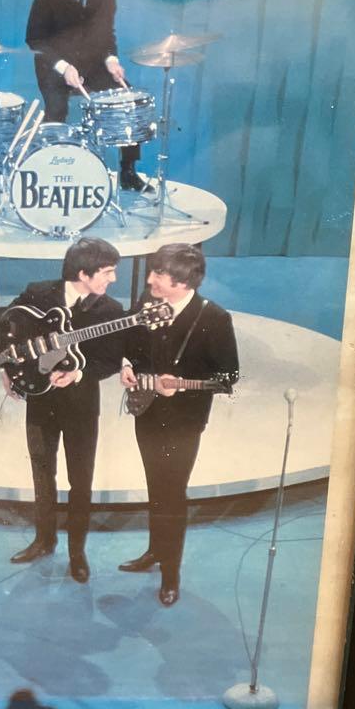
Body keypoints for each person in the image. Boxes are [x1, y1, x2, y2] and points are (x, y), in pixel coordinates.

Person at [119, 244, 239, 606]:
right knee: (155, 487)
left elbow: (227, 379)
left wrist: (182, 385)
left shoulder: (215, 318)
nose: (150, 280)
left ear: (183, 282)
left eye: (159, 274)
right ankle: (155, 551)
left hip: (184, 422)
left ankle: (170, 575)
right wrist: (127, 366)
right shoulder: (146, 303)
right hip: (146, 412)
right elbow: (130, 345)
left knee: (172, 493)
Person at [1, 236, 124, 582]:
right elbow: (5, 327)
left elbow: (110, 360)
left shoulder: (111, 311)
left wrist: (79, 374)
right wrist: (7, 369)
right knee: (42, 473)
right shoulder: (38, 293)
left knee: (80, 480)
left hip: (81, 407)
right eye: (108, 271)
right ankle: (44, 540)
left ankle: (76, 553)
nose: (113, 278)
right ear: (83, 274)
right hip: (40, 403)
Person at [25, 0, 148, 192]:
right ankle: (48, 171)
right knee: (56, 111)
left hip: (93, 65)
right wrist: (64, 67)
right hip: (54, 66)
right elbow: (35, 39)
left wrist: (111, 60)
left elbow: (106, 33)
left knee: (128, 102)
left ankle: (128, 171)